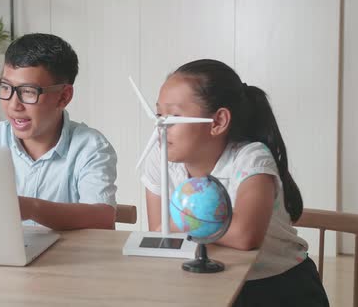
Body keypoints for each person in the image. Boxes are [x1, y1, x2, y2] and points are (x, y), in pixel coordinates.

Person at [141, 59, 329, 306]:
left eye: (173, 117)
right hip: (207, 280)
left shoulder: (251, 159)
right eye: (158, 115)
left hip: (278, 287)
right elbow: (158, 228)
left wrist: (177, 225)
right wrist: (181, 227)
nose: (159, 128)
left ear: (218, 122)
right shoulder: (159, 159)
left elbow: (244, 236)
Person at [0, 33, 117, 230]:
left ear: (63, 97)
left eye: (28, 92)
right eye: (5, 88)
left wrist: (32, 208)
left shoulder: (90, 147)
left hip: (69, 259)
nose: (14, 105)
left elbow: (103, 217)